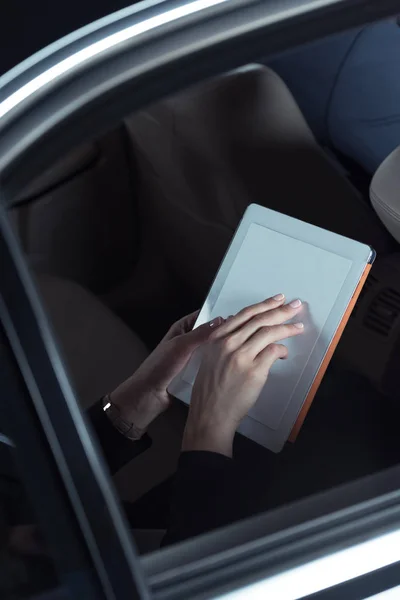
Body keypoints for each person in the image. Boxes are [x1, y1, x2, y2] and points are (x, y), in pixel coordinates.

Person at [0, 294, 303, 596]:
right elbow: (200, 583)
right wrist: (208, 425)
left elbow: (25, 488)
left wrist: (144, 393)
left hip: (117, 531)